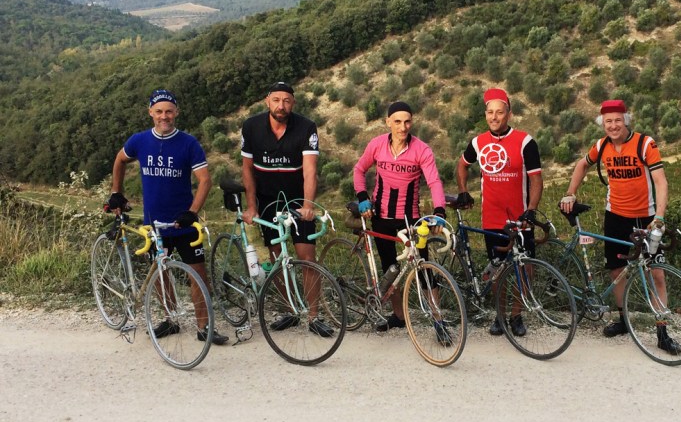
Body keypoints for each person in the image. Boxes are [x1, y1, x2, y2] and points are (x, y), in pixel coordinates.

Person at [559, 99, 681, 354]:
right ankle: (623, 320)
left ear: (626, 120)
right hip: (615, 216)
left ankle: (662, 333)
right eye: (608, 121)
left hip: (645, 218)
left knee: (656, 274)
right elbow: (582, 164)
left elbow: (661, 182)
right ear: (602, 124)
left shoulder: (645, 144)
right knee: (617, 271)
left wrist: (659, 217)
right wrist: (571, 192)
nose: (613, 126)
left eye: (617, 120)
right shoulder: (601, 146)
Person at [107, 89, 228, 345]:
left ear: (177, 113)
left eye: (169, 111)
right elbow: (120, 160)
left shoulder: (189, 143)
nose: (164, 116)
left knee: (198, 274)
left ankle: (204, 327)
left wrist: (192, 212)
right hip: (154, 225)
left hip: (183, 222)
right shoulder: (139, 141)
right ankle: (171, 319)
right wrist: (116, 192)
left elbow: (205, 181)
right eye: (159, 111)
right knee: (160, 273)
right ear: (150, 113)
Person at [240, 81, 333, 337]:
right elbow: (247, 170)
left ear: (293, 103)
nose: (281, 106)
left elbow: (310, 171)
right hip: (267, 200)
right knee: (277, 259)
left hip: (297, 200)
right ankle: (289, 310)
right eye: (276, 100)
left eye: (287, 101)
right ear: (267, 101)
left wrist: (308, 205)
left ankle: (313, 316)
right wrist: (252, 206)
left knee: (307, 258)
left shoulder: (306, 127)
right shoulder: (251, 127)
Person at [353, 101, 449, 343]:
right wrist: (362, 197)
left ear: (412, 122)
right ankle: (398, 316)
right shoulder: (377, 144)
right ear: (388, 122)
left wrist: (439, 211)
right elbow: (359, 170)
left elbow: (434, 182)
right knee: (390, 269)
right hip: (381, 218)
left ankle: (438, 321)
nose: (402, 127)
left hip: (410, 220)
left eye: (407, 122)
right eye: (397, 121)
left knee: (423, 269)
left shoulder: (422, 149)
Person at [455, 87, 543, 337]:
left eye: (500, 112)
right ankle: (500, 315)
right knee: (497, 270)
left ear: (509, 114)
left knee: (525, 268)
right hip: (492, 218)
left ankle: (517, 315)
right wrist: (463, 190)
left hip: (520, 217)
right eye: (490, 112)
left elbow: (536, 180)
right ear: (485, 114)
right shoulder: (478, 142)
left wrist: (531, 210)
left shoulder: (525, 142)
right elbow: (462, 165)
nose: (494, 117)